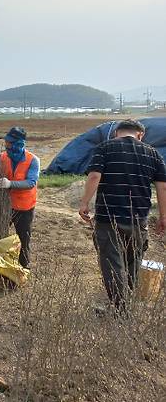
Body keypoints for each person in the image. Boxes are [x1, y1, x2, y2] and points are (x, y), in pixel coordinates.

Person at [79, 119, 166, 312]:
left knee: (112, 262)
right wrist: (163, 217)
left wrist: (84, 202)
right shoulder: (153, 154)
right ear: (140, 134)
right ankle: (122, 307)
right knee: (132, 263)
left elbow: (94, 176)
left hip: (108, 218)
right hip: (138, 219)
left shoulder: (105, 147)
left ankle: (121, 311)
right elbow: (163, 187)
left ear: (116, 132)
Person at [0, 127, 40, 269]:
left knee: (23, 238)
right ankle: (0, 264)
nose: (6, 146)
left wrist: (10, 184)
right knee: (0, 236)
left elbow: (31, 182)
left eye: (9, 143)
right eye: (6, 143)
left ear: (18, 144)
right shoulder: (2, 157)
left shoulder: (33, 160)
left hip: (25, 208)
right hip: (5, 206)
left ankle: (23, 267)